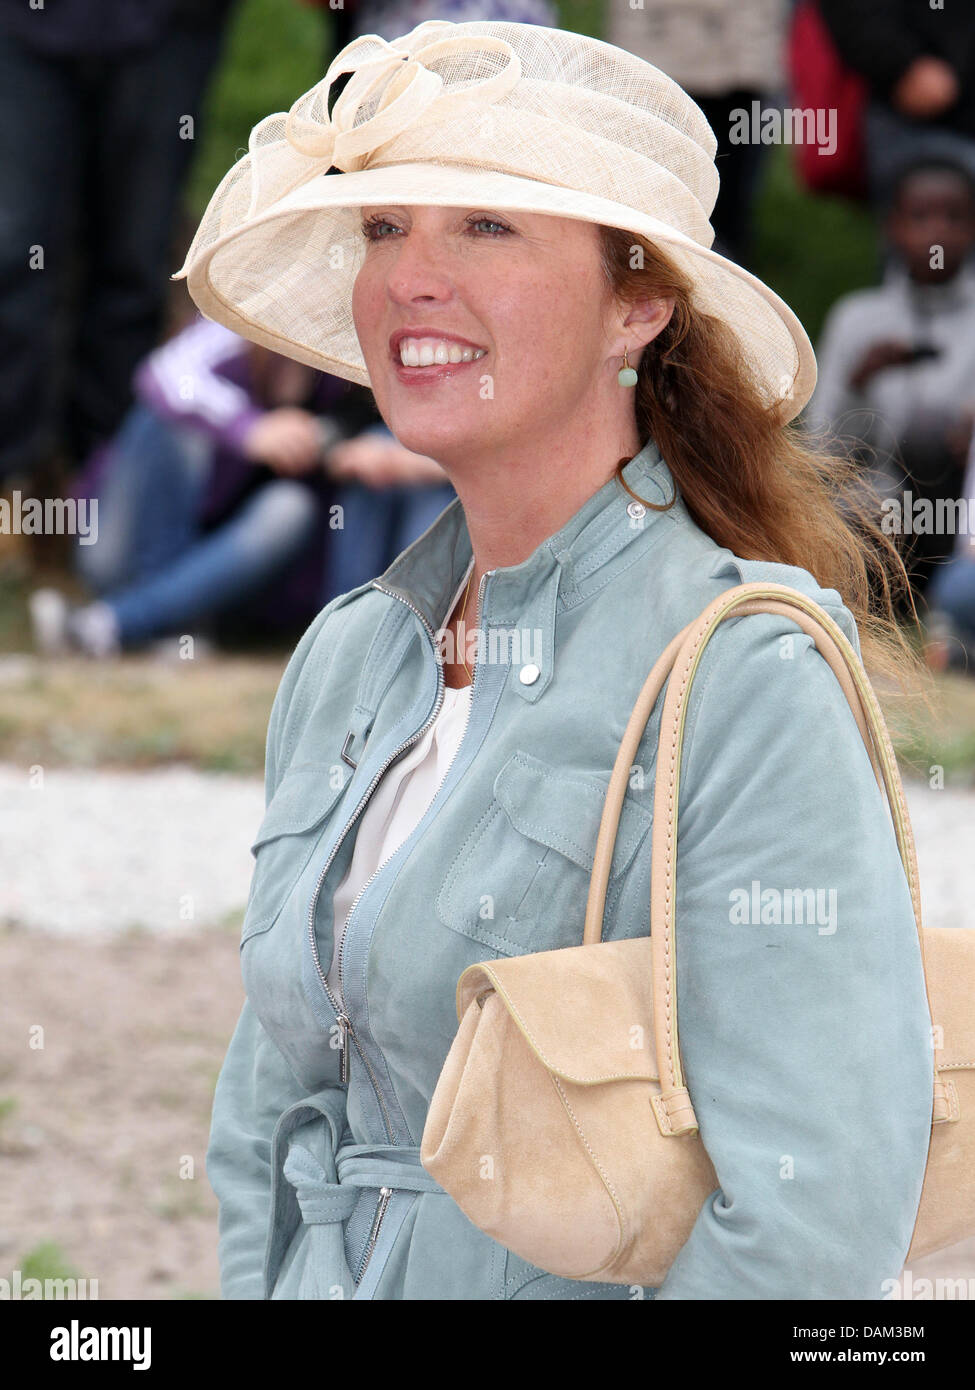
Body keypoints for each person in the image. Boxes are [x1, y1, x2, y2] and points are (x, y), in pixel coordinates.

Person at [172, 19, 933, 1300]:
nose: (409, 275)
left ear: (637, 305)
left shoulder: (741, 677)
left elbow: (815, 1214)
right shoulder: (352, 657)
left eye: (484, 226)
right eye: (382, 228)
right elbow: (271, 1118)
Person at [28, 316, 453, 655]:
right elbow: (164, 374)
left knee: (290, 508)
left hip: (223, 577)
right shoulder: (235, 326)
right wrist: (250, 430)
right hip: (124, 552)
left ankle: (118, 624)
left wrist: (344, 452)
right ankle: (158, 618)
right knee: (173, 420)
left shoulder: (348, 374)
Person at [804, 156, 975, 603]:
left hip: (965, 507)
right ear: (892, 227)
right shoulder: (858, 318)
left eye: (954, 216)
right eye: (920, 216)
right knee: (861, 507)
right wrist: (861, 381)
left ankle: (957, 598)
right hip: (888, 512)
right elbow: (820, 457)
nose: (937, 231)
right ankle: (876, 606)